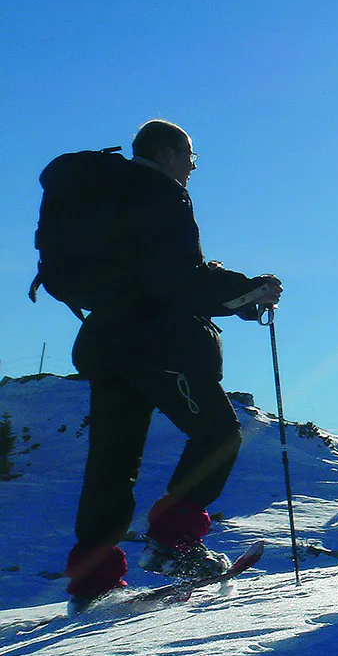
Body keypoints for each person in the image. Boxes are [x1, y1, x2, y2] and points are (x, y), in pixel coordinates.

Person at [64, 119, 283, 608]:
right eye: (190, 156)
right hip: (158, 343)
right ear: (166, 154)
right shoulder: (159, 195)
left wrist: (237, 296)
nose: (191, 166)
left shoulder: (108, 194)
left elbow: (154, 273)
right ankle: (173, 541)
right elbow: (175, 278)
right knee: (218, 434)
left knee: (112, 460)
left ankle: (92, 580)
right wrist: (249, 291)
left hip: (107, 343)